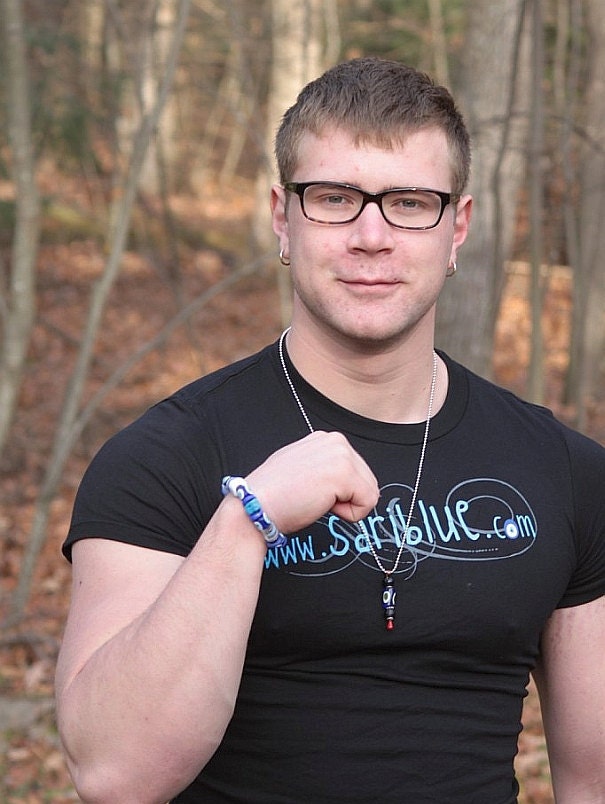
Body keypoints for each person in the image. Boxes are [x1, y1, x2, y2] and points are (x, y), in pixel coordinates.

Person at [55, 57, 605, 803]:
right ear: (283, 217)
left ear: (457, 228)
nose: (371, 236)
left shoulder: (565, 472)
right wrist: (246, 521)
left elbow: (592, 780)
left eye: (409, 203)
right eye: (335, 199)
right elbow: (114, 773)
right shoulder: (163, 459)